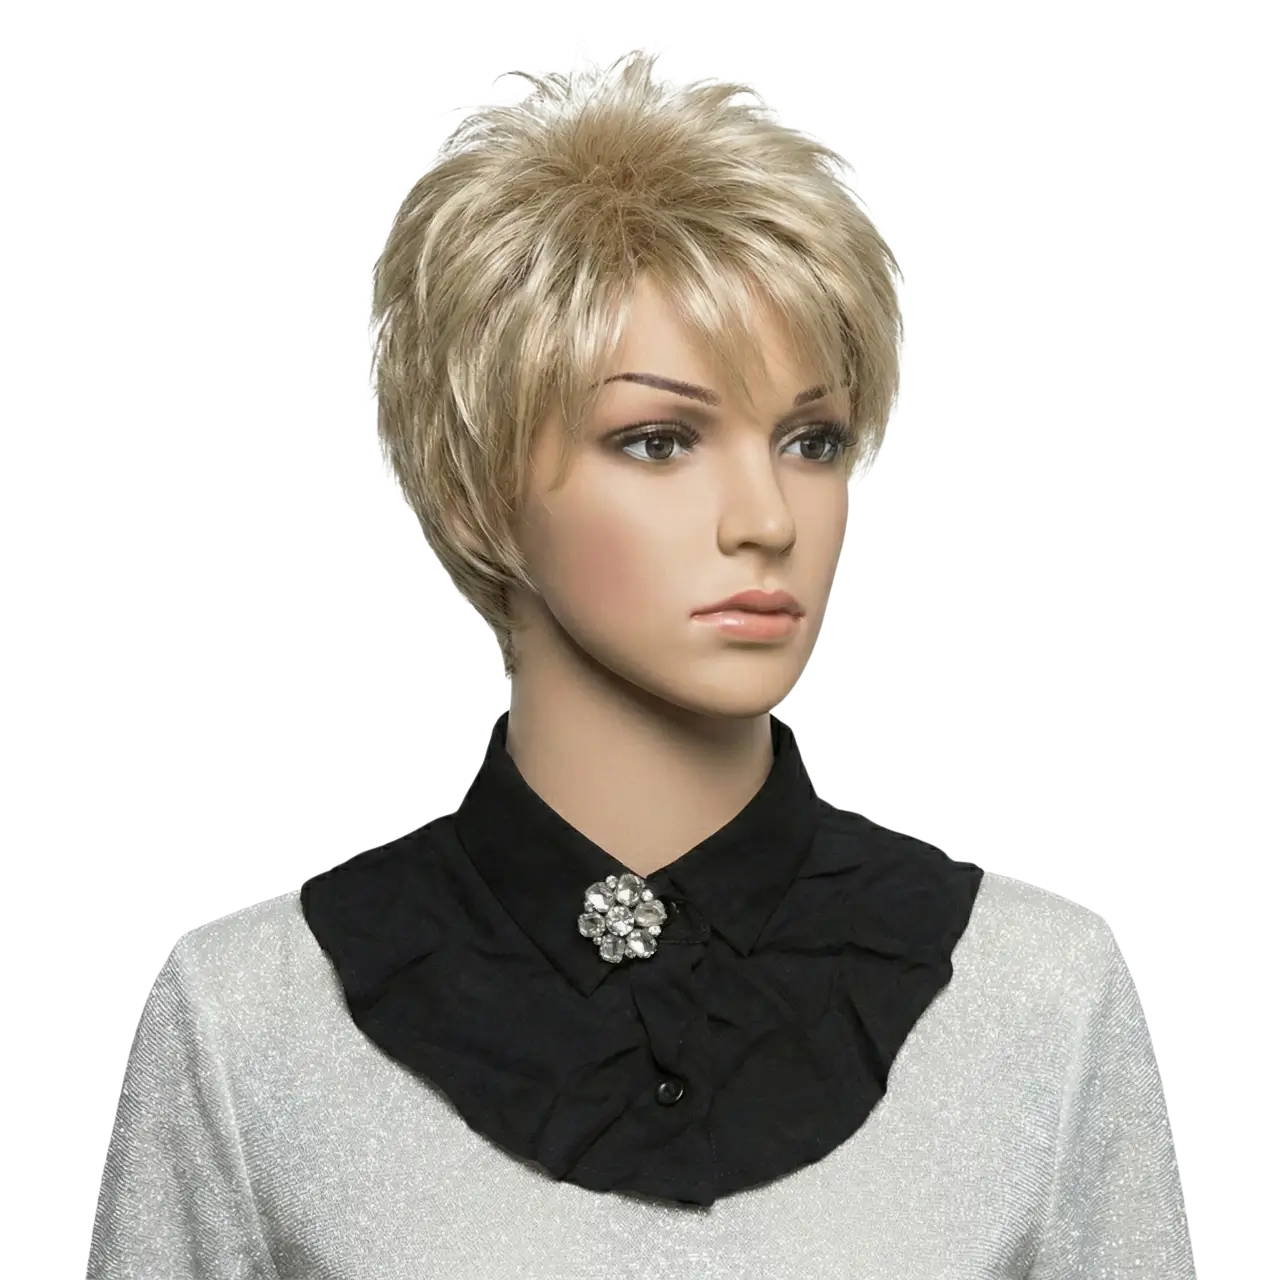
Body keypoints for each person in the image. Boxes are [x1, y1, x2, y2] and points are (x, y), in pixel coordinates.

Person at [84, 38, 1197, 1278]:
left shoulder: (1042, 997)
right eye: (659, 439)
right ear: (482, 483)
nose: (765, 518)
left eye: (811, 440)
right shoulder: (249, 1019)